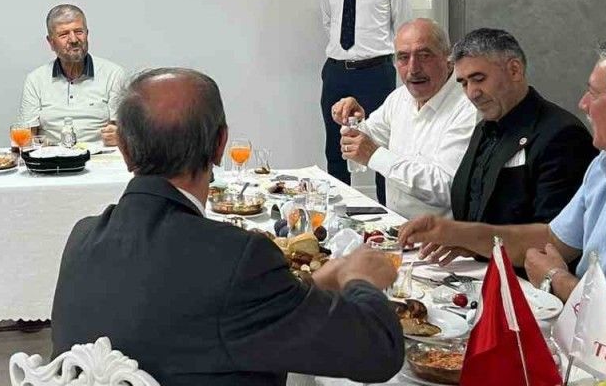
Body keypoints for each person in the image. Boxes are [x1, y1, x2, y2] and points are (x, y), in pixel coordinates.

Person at [51, 68, 403, 386]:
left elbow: (192, 315)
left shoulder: (82, 237)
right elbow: (379, 352)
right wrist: (360, 279)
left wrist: (309, 287)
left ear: (124, 150)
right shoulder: (239, 258)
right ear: (220, 145)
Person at [399, 31, 606, 344]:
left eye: (594, 93)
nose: (583, 104)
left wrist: (556, 278)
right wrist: (457, 233)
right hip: (586, 334)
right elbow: (553, 239)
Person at [447, 28, 595, 229]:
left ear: (514, 70)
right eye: (464, 83)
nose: (472, 93)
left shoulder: (563, 135)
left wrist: (466, 239)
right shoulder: (483, 128)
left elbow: (555, 234)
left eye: (479, 79)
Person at [330, 19, 477, 219]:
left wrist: (375, 155)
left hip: (440, 234)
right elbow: (367, 140)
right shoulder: (399, 98)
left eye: (424, 56)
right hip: (394, 223)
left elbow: (447, 187)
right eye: (403, 57)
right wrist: (352, 120)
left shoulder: (468, 108)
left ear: (448, 59)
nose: (413, 68)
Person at [320, 0, 411, 202]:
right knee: (336, 147)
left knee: (379, 144)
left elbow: (403, 26)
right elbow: (329, 22)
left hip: (375, 74)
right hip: (336, 72)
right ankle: (339, 209)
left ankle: (388, 212)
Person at [17, 4, 126, 148]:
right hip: (52, 156)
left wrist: (119, 137)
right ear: (51, 42)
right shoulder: (35, 80)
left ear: (87, 34)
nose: (74, 39)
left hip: (99, 156)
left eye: (79, 32)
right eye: (64, 34)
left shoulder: (113, 74)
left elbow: (120, 131)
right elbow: (27, 138)